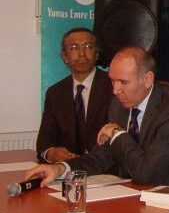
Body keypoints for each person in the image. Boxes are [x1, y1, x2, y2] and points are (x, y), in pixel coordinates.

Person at [26, 46, 169, 189]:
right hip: (138, 193)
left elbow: (145, 173)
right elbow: (103, 156)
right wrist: (60, 168)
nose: (115, 90)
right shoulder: (119, 104)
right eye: (113, 81)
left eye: (123, 82)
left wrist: (117, 133)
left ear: (147, 79)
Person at [36, 27, 112, 163]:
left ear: (96, 54)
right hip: (68, 168)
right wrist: (52, 153)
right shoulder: (55, 93)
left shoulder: (114, 87)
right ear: (65, 56)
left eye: (88, 47)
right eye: (74, 48)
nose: (82, 54)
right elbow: (44, 141)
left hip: (106, 167)